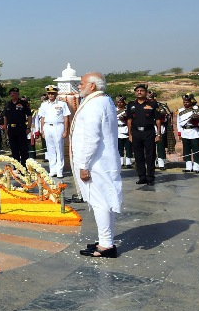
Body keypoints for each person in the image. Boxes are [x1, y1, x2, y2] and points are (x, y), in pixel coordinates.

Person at [72, 72, 122, 258]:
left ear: (92, 86)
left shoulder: (94, 104)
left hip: (95, 162)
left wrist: (84, 165)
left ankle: (106, 245)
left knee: (100, 202)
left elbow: (92, 137)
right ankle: (105, 240)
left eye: (81, 83)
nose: (78, 86)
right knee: (105, 202)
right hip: (103, 160)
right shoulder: (105, 101)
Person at [126, 83, 162, 186]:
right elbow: (129, 120)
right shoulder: (131, 105)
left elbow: (158, 120)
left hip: (149, 132)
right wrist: (130, 134)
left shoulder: (153, 104)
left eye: (141, 91)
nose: (139, 92)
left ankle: (150, 177)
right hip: (136, 132)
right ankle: (141, 176)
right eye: (137, 91)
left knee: (150, 155)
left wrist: (158, 134)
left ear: (146, 92)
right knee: (138, 156)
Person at [38, 85, 71, 178]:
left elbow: (66, 117)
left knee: (59, 149)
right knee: (50, 149)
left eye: (52, 93)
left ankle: (59, 170)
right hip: (47, 126)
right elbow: (42, 118)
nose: (51, 95)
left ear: (56, 93)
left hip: (58, 126)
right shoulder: (44, 105)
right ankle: (52, 169)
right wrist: (42, 131)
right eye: (49, 93)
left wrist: (65, 130)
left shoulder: (62, 104)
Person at [176, 93, 199, 173]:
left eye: (187, 102)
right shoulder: (180, 111)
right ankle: (188, 166)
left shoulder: (196, 109)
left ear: (191, 102)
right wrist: (179, 133)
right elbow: (178, 123)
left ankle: (196, 167)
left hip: (194, 132)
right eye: (184, 102)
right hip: (185, 132)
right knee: (186, 150)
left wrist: (195, 119)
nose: (185, 103)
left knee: (196, 150)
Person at [3, 87, 32, 164]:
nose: (12, 95)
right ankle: (16, 165)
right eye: (11, 93)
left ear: (18, 94)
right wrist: (5, 128)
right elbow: (5, 117)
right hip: (11, 129)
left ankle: (24, 165)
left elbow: (29, 115)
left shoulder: (23, 103)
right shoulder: (8, 104)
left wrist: (28, 127)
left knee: (23, 148)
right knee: (14, 148)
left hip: (21, 127)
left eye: (14, 93)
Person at [148, 90, 173, 170]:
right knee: (150, 147)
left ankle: (161, 164)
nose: (150, 100)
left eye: (151, 98)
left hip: (160, 128)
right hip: (149, 128)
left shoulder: (161, 106)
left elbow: (168, 115)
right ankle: (152, 163)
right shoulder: (144, 105)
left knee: (160, 147)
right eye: (149, 98)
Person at [115, 96, 132, 168]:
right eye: (118, 102)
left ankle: (128, 162)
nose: (120, 103)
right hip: (117, 129)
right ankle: (120, 162)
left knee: (128, 147)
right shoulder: (114, 110)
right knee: (120, 147)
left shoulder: (127, 110)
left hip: (125, 128)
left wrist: (125, 118)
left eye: (121, 102)